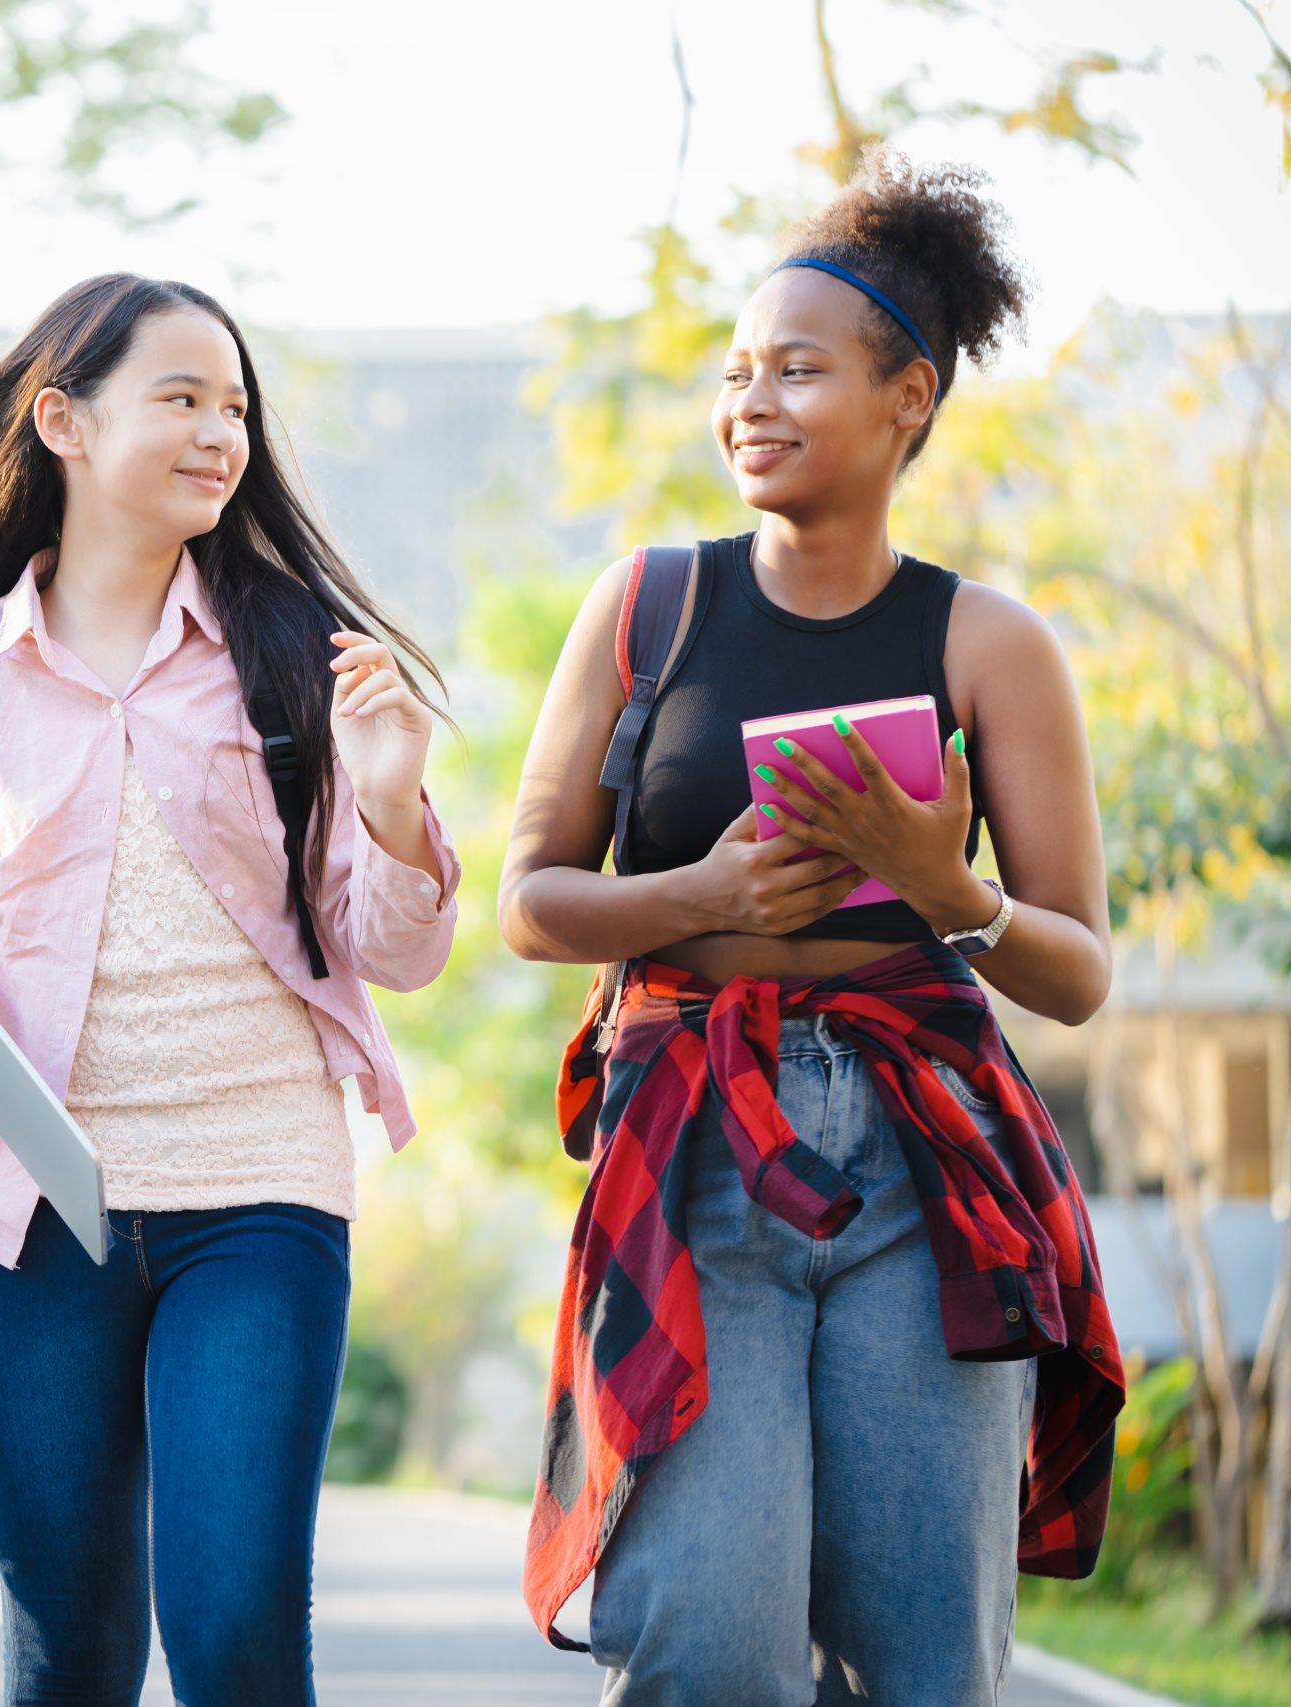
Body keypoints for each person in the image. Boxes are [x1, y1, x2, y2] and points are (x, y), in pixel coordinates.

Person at [500, 155, 1125, 1704]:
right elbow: (530, 896)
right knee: (703, 1639)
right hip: (698, 1146)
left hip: (929, 1172)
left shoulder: (989, 642)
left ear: (909, 398)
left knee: (923, 1659)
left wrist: (946, 883)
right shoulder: (648, 606)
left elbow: (1077, 968)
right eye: (735, 373)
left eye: (798, 368)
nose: (750, 403)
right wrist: (697, 901)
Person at [0, 272, 462, 1704]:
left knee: (237, 1635)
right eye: (183, 399)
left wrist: (391, 805)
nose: (221, 433)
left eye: (235, 406)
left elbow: (394, 951)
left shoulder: (292, 656)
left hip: (258, 1189)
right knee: (64, 1650)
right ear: (63, 421)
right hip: (37, 1201)